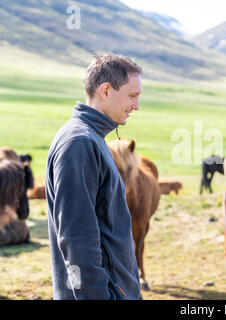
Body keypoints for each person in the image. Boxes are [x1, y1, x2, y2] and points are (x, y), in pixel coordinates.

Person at [45, 54, 142, 299]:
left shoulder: (92, 138)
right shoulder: (80, 143)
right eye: (132, 96)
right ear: (106, 91)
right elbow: (76, 240)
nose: (136, 106)